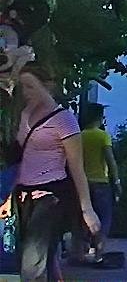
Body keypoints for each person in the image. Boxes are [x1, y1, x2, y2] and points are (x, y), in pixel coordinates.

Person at [0, 63, 100, 281]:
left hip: (50, 196)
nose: (26, 93)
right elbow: (21, 159)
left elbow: (77, 168)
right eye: (23, 87)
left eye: (31, 87)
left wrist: (87, 209)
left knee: (32, 264)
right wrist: (9, 195)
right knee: (38, 258)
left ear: (47, 86)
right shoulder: (25, 114)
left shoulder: (64, 120)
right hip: (23, 195)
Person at [70, 102, 120, 264]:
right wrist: (117, 181)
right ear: (99, 118)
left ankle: (79, 253)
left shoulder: (79, 136)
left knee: (81, 219)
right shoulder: (102, 136)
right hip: (101, 183)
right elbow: (110, 160)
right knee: (103, 220)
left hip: (82, 183)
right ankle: (99, 254)